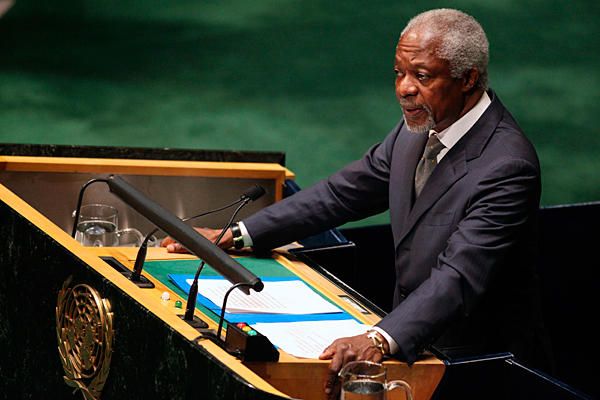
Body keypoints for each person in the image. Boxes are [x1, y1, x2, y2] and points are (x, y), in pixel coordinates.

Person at [164, 8, 547, 397]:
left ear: (468, 79)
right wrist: (239, 235)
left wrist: (379, 338)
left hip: (474, 370)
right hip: (414, 352)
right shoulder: (418, 128)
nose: (404, 88)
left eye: (422, 76)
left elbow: (458, 278)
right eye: (398, 73)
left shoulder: (506, 166)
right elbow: (341, 194)